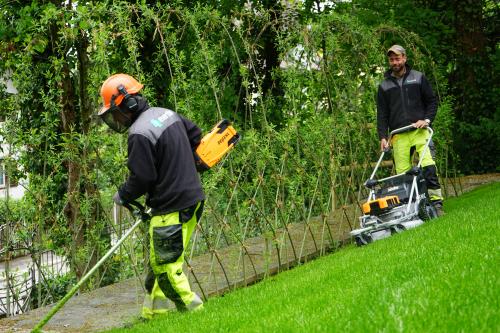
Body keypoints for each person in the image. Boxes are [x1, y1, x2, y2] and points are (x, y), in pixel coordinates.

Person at [98, 73, 205, 318]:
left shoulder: (139, 133)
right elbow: (195, 136)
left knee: (166, 267)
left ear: (128, 103)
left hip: (171, 207)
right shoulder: (166, 113)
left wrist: (123, 195)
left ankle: (197, 313)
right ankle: (154, 316)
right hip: (193, 199)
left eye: (115, 112)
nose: (116, 118)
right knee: (160, 262)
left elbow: (142, 178)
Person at [376, 45, 444, 216]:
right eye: (391, 59)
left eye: (397, 58)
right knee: (403, 175)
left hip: (419, 130)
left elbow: (432, 102)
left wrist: (426, 120)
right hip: (398, 134)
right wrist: (383, 136)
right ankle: (411, 207)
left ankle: (436, 203)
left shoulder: (418, 77)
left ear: (404, 58)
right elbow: (382, 114)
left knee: (428, 166)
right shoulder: (384, 86)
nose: (395, 62)